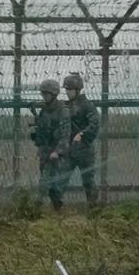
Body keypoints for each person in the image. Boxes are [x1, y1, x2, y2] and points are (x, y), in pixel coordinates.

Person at [56, 72, 101, 207]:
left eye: (70, 89)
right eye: (66, 89)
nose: (67, 92)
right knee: (62, 178)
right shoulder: (65, 106)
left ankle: (93, 208)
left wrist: (82, 134)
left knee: (88, 180)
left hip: (84, 149)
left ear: (77, 90)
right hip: (69, 149)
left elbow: (94, 124)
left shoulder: (87, 105)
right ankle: (56, 207)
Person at [29, 78, 67, 209]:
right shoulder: (44, 110)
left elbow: (65, 134)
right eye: (43, 94)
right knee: (51, 181)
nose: (44, 96)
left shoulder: (62, 110)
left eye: (46, 94)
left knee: (46, 180)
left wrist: (58, 151)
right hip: (45, 150)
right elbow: (42, 129)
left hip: (55, 151)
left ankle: (37, 206)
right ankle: (57, 206)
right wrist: (36, 134)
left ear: (54, 94)